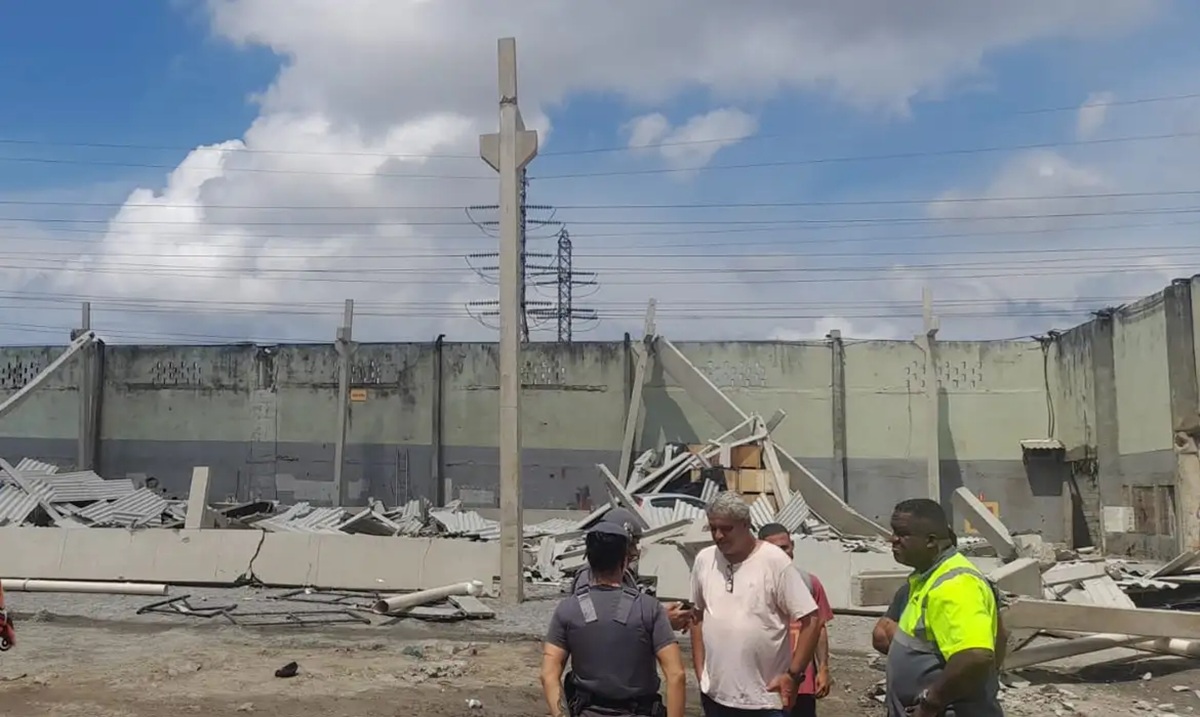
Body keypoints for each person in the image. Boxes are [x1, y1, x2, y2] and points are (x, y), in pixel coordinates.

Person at [690, 492, 821, 717]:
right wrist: (701, 671)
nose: (718, 535)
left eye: (726, 529)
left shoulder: (774, 561)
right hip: (715, 698)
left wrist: (793, 675)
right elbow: (697, 617)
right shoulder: (704, 559)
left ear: (746, 525)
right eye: (713, 528)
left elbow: (812, 620)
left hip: (764, 700)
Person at [541, 521, 687, 717]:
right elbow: (676, 675)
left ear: (589, 559)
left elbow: (548, 674)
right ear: (624, 561)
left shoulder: (568, 609)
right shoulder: (649, 609)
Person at [885, 498, 1003, 717]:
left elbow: (976, 655)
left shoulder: (955, 585)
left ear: (931, 541)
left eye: (902, 534)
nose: (893, 539)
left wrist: (930, 704)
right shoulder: (927, 577)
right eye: (893, 532)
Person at [570, 508, 691, 631]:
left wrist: (658, 611)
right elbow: (593, 626)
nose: (635, 552)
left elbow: (629, 611)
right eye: (631, 545)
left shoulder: (626, 577)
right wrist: (660, 620)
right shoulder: (588, 577)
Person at [757, 523, 833, 717]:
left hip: (801, 682)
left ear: (792, 546)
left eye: (785, 548)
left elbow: (819, 628)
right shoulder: (751, 584)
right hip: (765, 682)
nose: (781, 554)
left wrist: (823, 669)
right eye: (774, 549)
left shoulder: (809, 583)